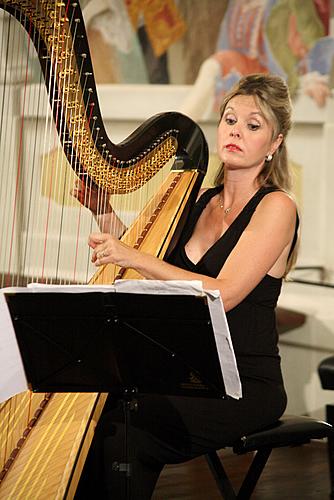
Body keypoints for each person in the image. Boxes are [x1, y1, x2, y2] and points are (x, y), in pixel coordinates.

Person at [74, 73, 299, 499]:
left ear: (274, 143)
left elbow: (223, 292)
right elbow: (154, 270)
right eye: (230, 119)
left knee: (128, 431)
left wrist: (131, 255)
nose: (235, 130)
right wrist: (104, 213)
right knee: (96, 416)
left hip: (243, 385)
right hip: (184, 373)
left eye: (253, 125)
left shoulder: (276, 206)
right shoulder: (198, 202)